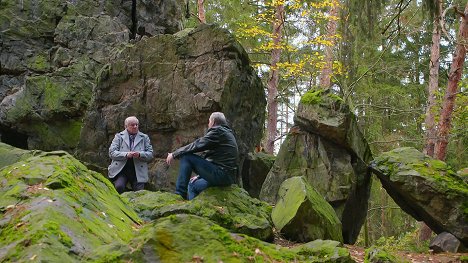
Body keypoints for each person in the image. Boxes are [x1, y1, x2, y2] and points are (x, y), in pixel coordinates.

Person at [166, 112, 238, 200]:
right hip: (227, 177)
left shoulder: (218, 131)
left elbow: (197, 145)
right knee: (192, 184)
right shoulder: (227, 133)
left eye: (209, 122)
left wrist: (175, 154)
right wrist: (199, 176)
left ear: (213, 122)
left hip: (221, 175)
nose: (208, 124)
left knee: (186, 157)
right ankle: (193, 209)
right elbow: (219, 159)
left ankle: (179, 195)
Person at [108, 116, 153, 194]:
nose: (135, 127)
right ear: (126, 126)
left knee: (140, 193)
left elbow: (150, 154)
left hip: (138, 171)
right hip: (121, 170)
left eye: (136, 124)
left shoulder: (144, 137)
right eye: (132, 125)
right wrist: (126, 155)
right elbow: (112, 153)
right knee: (119, 187)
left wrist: (140, 154)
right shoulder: (118, 136)